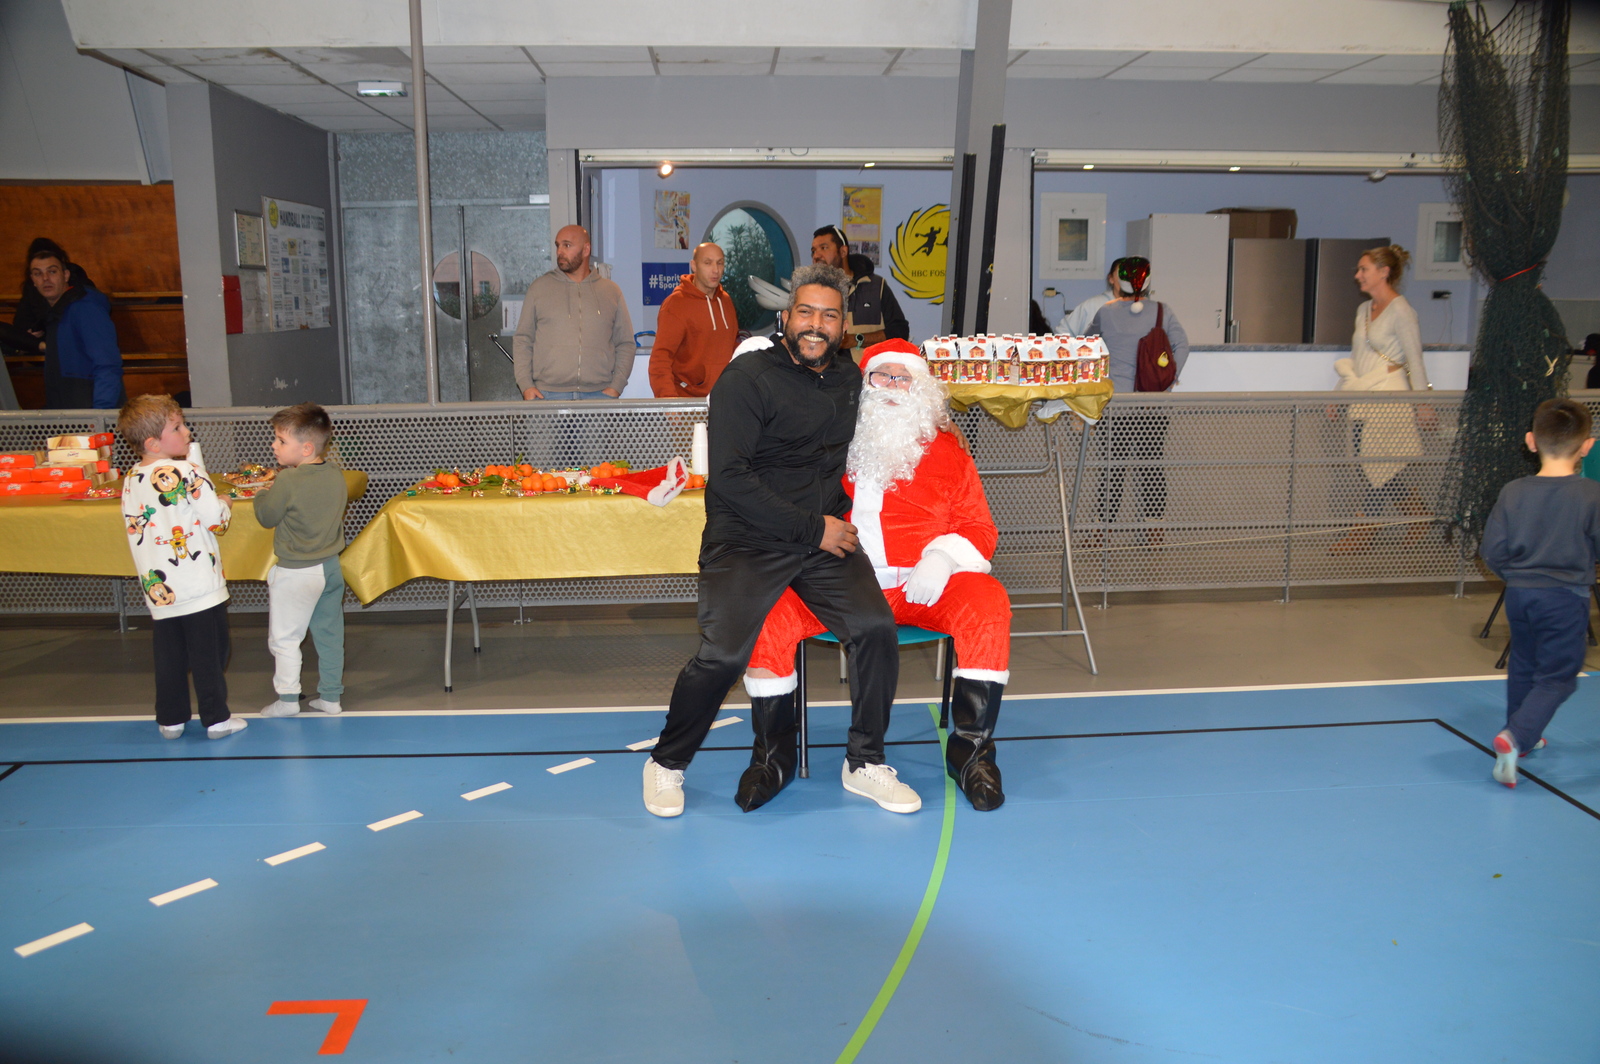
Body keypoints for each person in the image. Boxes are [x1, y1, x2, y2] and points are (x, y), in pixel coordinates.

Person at [643, 264, 916, 818]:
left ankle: (864, 762)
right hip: (747, 539)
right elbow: (731, 479)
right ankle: (666, 763)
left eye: (829, 316)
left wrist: (943, 426)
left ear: (843, 327)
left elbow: (904, 411)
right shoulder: (745, 379)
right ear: (786, 317)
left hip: (821, 541)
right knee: (723, 656)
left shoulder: (849, 379)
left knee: (875, 630)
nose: (816, 325)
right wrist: (816, 528)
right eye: (806, 312)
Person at [739, 338, 1011, 812]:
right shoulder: (825, 441)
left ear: (919, 388)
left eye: (901, 377)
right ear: (862, 384)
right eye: (879, 375)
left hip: (923, 584)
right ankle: (772, 757)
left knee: (987, 603)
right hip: (838, 584)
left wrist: (943, 558)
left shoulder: (949, 452)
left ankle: (971, 755)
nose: (889, 386)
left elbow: (979, 527)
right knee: (768, 609)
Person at [1479, 399, 1600, 789]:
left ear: (1531, 441)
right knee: (1559, 677)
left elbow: (1491, 550)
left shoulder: (1513, 491)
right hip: (1565, 599)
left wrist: (1517, 577)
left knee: (1525, 665)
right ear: (1587, 446)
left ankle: (1522, 739)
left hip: (1520, 596)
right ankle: (1516, 736)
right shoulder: (1591, 494)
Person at [117, 393, 244, 740]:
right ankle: (216, 719)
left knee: (169, 658)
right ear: (153, 443)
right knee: (210, 655)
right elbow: (216, 520)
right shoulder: (186, 470)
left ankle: (171, 720)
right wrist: (225, 501)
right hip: (199, 587)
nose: (187, 432)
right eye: (177, 427)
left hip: (161, 590)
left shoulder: (131, 478)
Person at [1330, 244, 1432, 554]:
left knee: (1378, 466)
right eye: (1359, 270)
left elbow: (1415, 359)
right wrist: (1337, 395)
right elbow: (1356, 358)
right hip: (1363, 396)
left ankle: (1364, 529)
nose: (1358, 275)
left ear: (1384, 272)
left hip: (1389, 397)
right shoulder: (1363, 310)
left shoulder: (1402, 311)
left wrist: (1423, 404)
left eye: (1364, 269)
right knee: (1375, 467)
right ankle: (1419, 515)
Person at [254, 402, 349, 718]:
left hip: (296, 572)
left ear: (306, 448)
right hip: (330, 568)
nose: (274, 445)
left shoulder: (287, 480)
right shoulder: (335, 474)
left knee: (285, 638)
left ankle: (288, 698)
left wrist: (261, 493)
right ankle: (331, 697)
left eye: (281, 440)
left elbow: (267, 516)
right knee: (330, 636)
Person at [1089, 257, 1189, 542]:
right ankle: (1154, 530)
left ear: (1118, 280)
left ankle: (1102, 532)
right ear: (1147, 282)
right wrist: (1166, 380)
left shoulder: (1105, 312)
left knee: (1112, 467)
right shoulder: (1163, 311)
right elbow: (1182, 346)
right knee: (1151, 466)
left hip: (1116, 405)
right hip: (1152, 404)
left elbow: (1087, 345)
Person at [513, 225, 635, 400]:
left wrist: (616, 386)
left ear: (586, 249)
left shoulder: (611, 291)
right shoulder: (539, 288)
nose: (560, 252)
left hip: (598, 395)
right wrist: (526, 385)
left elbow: (625, 343)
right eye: (558, 245)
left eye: (567, 245)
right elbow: (523, 339)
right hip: (547, 395)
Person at [17, 238, 124, 409]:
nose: (45, 279)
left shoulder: (86, 309)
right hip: (69, 412)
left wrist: (101, 414)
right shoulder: (54, 314)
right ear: (33, 281)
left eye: (52, 272)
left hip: (92, 414)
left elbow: (107, 365)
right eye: (38, 274)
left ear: (66, 275)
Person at [648, 242, 738, 398]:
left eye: (720, 263)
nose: (715, 270)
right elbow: (660, 360)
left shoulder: (725, 300)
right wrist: (670, 405)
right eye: (707, 263)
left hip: (724, 398)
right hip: (688, 402)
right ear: (694, 266)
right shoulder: (676, 304)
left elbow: (731, 347)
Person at [810, 224, 910, 356]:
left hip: (867, 367)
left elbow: (900, 332)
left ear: (843, 251)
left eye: (824, 248)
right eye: (813, 251)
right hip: (826, 367)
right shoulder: (811, 292)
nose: (816, 255)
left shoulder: (876, 286)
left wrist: (856, 339)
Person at [1058, 258, 1127, 336]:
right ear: (1111, 279)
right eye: (1122, 275)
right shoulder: (1092, 306)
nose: (1126, 281)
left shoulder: (1138, 308)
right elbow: (1062, 332)